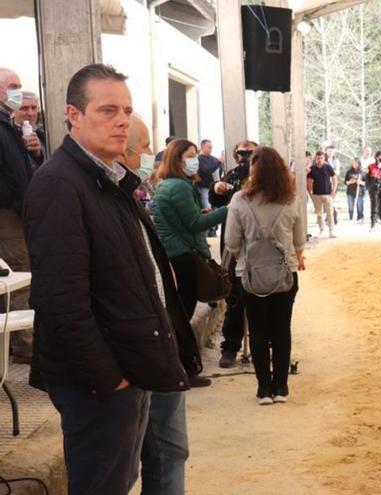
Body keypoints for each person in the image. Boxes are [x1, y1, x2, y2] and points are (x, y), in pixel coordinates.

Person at [23, 63, 195, 495]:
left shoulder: (108, 179)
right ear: (73, 115)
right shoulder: (60, 184)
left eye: (127, 110)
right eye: (107, 110)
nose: (122, 120)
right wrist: (109, 379)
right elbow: (60, 300)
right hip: (97, 384)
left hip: (124, 371)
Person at [119, 114, 199, 495]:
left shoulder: (131, 192)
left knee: (169, 451)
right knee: (129, 466)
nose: (152, 152)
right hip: (133, 353)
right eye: (147, 144)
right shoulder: (73, 190)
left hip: (158, 343)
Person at [225, 146, 306, 404]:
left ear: (254, 170)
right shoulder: (292, 199)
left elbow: (231, 242)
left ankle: (263, 390)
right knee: (282, 330)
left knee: (258, 331)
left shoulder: (239, 200)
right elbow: (299, 240)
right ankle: (281, 387)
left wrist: (246, 257)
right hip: (285, 274)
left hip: (250, 275)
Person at [151, 138, 228, 320]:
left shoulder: (167, 184)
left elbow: (180, 218)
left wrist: (201, 212)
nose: (195, 161)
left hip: (174, 253)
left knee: (179, 309)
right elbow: (195, 224)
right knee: (184, 312)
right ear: (176, 159)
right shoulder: (179, 187)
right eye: (190, 156)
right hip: (184, 255)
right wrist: (228, 210)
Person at [0, 68, 40, 363]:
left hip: (20, 211)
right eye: (13, 86)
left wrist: (36, 154)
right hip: (7, 214)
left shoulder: (9, 125)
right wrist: (16, 200)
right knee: (19, 271)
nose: (17, 91)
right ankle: (26, 346)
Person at [210, 140, 257, 368]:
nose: (245, 158)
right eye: (241, 153)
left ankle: (261, 345)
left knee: (262, 299)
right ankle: (230, 346)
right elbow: (217, 202)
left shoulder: (268, 178)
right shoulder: (231, 176)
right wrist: (216, 190)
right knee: (235, 299)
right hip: (233, 247)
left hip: (260, 248)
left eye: (251, 153)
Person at [307, 150, 337, 238]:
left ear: (324, 158)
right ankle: (321, 230)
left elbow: (335, 178)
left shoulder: (328, 167)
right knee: (319, 214)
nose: (319, 160)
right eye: (318, 158)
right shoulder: (312, 169)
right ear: (315, 159)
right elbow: (308, 182)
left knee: (329, 213)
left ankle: (331, 230)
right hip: (316, 194)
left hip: (328, 194)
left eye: (321, 158)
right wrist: (310, 194)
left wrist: (333, 191)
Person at [13, 90, 47, 168]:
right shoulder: (7, 136)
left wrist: (38, 155)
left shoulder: (44, 136)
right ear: (14, 111)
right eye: (24, 108)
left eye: (34, 108)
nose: (30, 113)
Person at [197, 139, 223, 236]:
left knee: (215, 208)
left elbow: (219, 170)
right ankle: (209, 230)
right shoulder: (200, 159)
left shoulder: (213, 159)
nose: (210, 149)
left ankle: (214, 228)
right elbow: (206, 170)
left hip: (214, 187)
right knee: (207, 208)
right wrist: (218, 163)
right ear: (203, 147)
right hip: (204, 187)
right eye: (209, 147)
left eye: (211, 147)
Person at [344, 157, 366, 222]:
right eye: (354, 162)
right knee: (350, 206)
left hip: (360, 192)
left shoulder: (362, 172)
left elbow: (366, 183)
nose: (355, 164)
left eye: (356, 163)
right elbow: (345, 182)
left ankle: (360, 217)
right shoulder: (349, 172)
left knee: (359, 205)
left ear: (359, 164)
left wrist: (360, 182)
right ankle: (351, 217)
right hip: (350, 192)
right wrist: (350, 182)